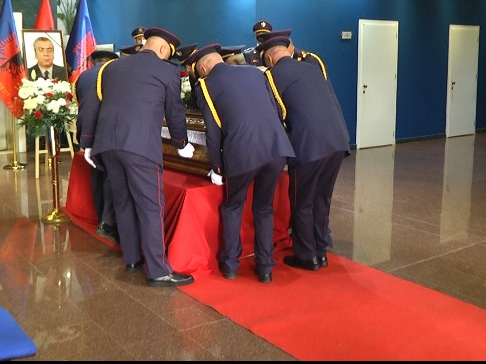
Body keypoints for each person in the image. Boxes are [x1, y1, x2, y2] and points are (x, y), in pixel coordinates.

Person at [79, 27, 196, 288]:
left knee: (123, 201)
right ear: (164, 49)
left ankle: (132, 258)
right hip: (140, 146)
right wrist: (181, 143)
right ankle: (158, 270)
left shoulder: (112, 67)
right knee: (151, 205)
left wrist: (87, 142)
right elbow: (175, 111)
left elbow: (94, 104)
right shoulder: (166, 71)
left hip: (107, 144)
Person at [182, 44, 295, 283]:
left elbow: (213, 129)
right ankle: (265, 267)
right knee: (264, 208)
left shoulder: (205, 85)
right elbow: (275, 110)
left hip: (243, 152)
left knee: (233, 206)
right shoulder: (255, 73)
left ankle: (231, 264)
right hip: (277, 148)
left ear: (202, 68)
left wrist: (217, 166)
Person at [256, 35, 350, 271]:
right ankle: (321, 249)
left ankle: (307, 256)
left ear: (269, 58)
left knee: (302, 202)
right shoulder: (312, 67)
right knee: (322, 198)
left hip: (308, 145)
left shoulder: (271, 75)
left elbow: (277, 113)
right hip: (337, 140)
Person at [73, 49, 120, 245]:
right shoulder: (110, 75)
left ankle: (102, 217)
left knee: (98, 176)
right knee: (113, 177)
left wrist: (85, 139)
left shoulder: (83, 77)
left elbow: (84, 107)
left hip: (89, 133)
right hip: (109, 133)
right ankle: (108, 222)